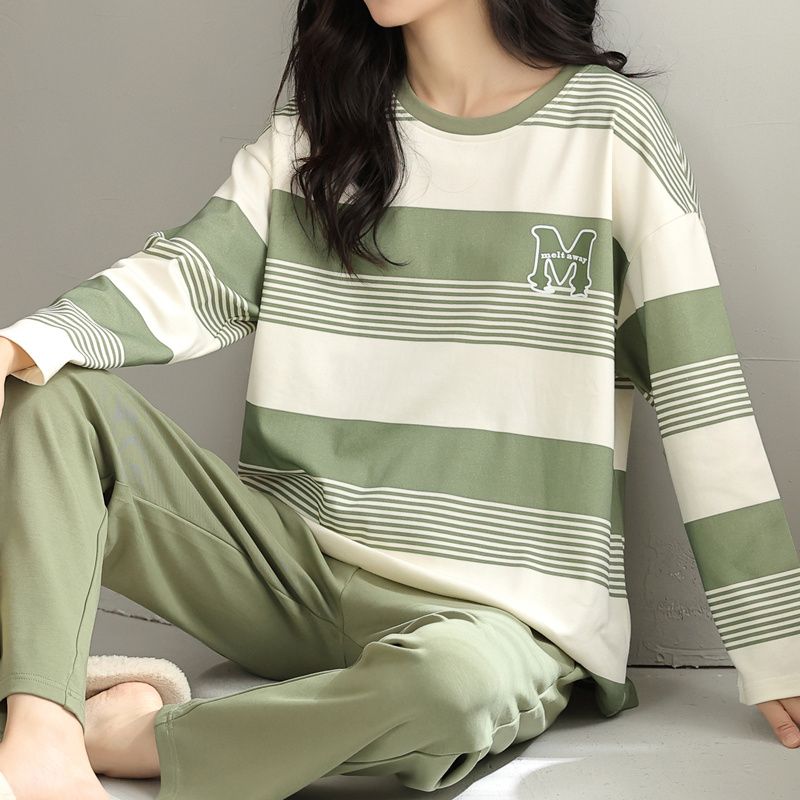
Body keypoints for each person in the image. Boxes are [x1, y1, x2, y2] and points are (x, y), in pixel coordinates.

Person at [1, 0, 799, 798]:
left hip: (494, 618)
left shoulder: (610, 132)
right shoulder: (322, 125)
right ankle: (41, 732)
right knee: (46, 390)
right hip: (286, 573)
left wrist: (780, 650)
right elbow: (191, 273)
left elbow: (700, 393)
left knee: (450, 693)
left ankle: (135, 736)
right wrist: (17, 345)